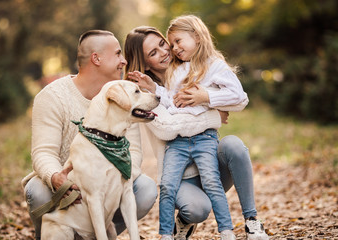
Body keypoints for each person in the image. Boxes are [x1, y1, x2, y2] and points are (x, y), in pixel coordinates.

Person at [124, 20, 269, 240]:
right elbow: (166, 128)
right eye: (154, 52)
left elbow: (239, 100)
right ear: (144, 64)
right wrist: (213, 115)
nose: (166, 51)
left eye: (164, 44)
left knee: (233, 145)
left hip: (208, 158)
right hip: (181, 175)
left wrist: (207, 97)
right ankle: (184, 220)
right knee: (198, 209)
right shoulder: (145, 95)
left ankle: (252, 221)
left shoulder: (195, 69)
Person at [21, 30, 158, 239]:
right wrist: (56, 177)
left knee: (146, 188)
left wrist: (111, 176)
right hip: (68, 188)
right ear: (96, 58)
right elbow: (43, 152)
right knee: (37, 190)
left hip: (106, 185)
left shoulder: (125, 99)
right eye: (118, 54)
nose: (124, 61)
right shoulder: (52, 97)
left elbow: (134, 151)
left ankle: (95, 233)